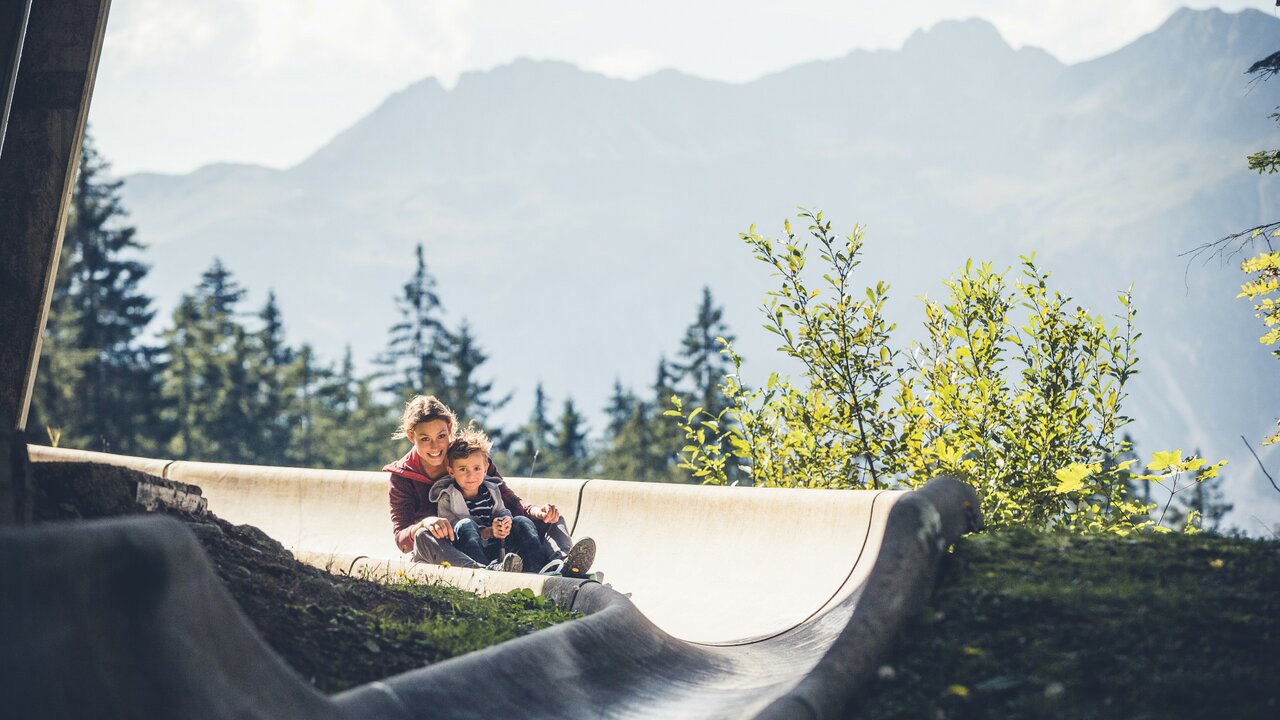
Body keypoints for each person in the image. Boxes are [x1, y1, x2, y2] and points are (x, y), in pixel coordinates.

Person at [384, 394, 595, 576]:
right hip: (447, 552)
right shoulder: (403, 476)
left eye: (441, 436)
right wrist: (424, 523)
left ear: (449, 428)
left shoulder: (469, 459)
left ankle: (566, 566)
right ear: (412, 436)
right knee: (423, 537)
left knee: (551, 518)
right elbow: (401, 540)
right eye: (424, 439)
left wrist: (537, 511)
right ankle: (481, 573)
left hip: (489, 543)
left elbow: (508, 499)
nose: (435, 446)